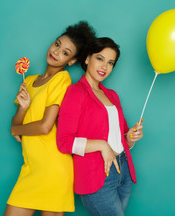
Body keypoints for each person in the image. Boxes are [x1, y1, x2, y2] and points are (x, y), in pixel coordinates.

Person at [5, 21, 96, 216]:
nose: (56, 52)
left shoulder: (61, 80)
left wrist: (15, 130)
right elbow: (16, 122)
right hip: (31, 168)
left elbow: (45, 126)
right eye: (57, 44)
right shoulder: (28, 81)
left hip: (53, 168)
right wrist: (23, 108)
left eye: (65, 52)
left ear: (71, 61)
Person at [56, 37, 144, 216]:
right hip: (97, 177)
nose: (104, 66)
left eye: (110, 62)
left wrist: (131, 137)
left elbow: (123, 136)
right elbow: (64, 142)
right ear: (87, 58)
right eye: (100, 58)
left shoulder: (112, 95)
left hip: (123, 171)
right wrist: (101, 145)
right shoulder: (75, 92)